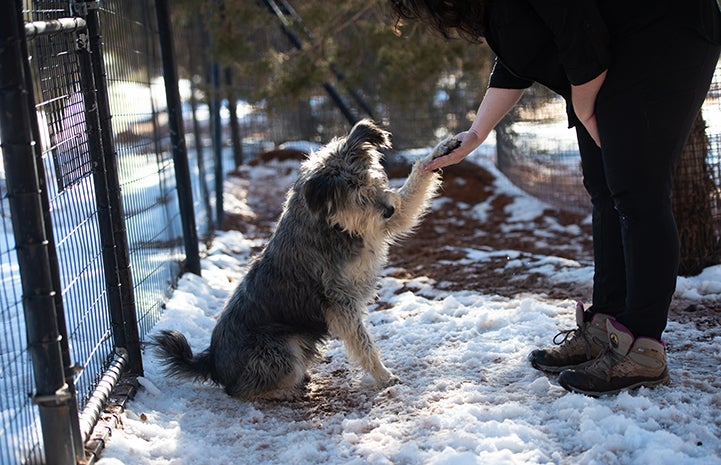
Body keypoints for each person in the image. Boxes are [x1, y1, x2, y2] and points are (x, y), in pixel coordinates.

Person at [389, 0, 721, 395]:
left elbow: (579, 27)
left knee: (638, 193)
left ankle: (644, 346)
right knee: (605, 191)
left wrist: (585, 105)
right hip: (611, 51)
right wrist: (476, 134)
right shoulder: (496, 10)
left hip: (663, 33)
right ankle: (608, 326)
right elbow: (523, 51)